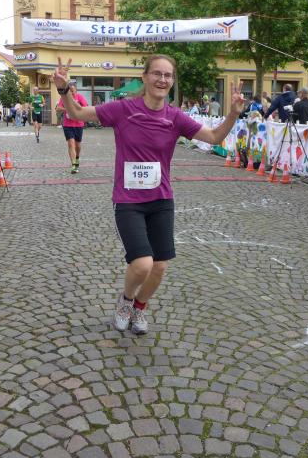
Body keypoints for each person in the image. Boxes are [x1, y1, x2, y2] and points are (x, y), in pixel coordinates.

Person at [52, 55, 243, 334]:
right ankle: (126, 301)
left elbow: (214, 137)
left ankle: (140, 307)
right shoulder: (123, 109)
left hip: (161, 200)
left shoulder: (175, 117)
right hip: (128, 200)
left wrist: (234, 113)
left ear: (172, 81)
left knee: (159, 267)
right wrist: (63, 89)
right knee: (142, 264)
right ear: (144, 77)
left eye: (167, 75)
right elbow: (77, 113)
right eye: (157, 74)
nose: (162, 80)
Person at [56, 80, 87, 173]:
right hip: (68, 125)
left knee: (78, 145)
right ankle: (73, 165)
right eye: (70, 90)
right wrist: (67, 109)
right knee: (71, 143)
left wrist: (76, 109)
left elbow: (85, 107)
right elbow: (58, 108)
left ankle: (77, 158)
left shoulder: (80, 97)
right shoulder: (64, 98)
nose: (72, 92)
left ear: (76, 89)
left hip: (78, 124)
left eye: (73, 90)